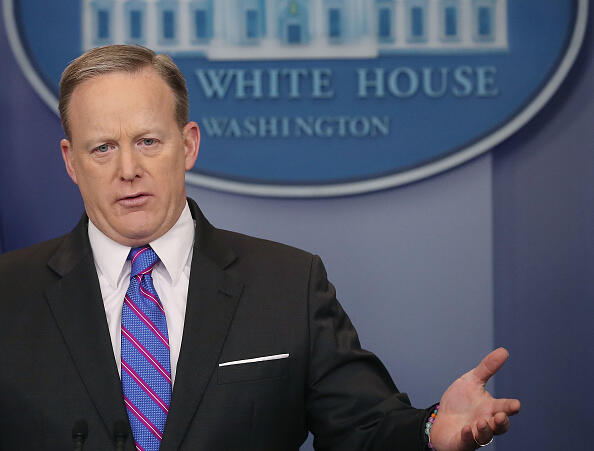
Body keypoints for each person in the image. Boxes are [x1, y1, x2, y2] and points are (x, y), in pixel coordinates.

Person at [0, 45, 520, 451]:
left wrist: (430, 429)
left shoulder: (287, 284)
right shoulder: (10, 294)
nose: (128, 168)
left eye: (148, 141)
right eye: (103, 147)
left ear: (189, 145)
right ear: (71, 161)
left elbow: (366, 430)